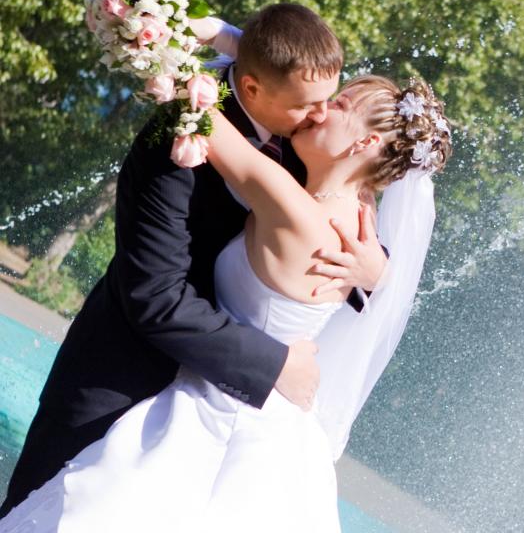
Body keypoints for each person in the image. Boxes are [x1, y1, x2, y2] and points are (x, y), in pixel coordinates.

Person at [0, 63, 451, 530]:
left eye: (337, 105)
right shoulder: (361, 218)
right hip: (274, 421)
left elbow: (202, 114)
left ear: (365, 143)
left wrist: (174, 40)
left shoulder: (294, 209)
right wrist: (379, 273)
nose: (318, 110)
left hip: (218, 404)